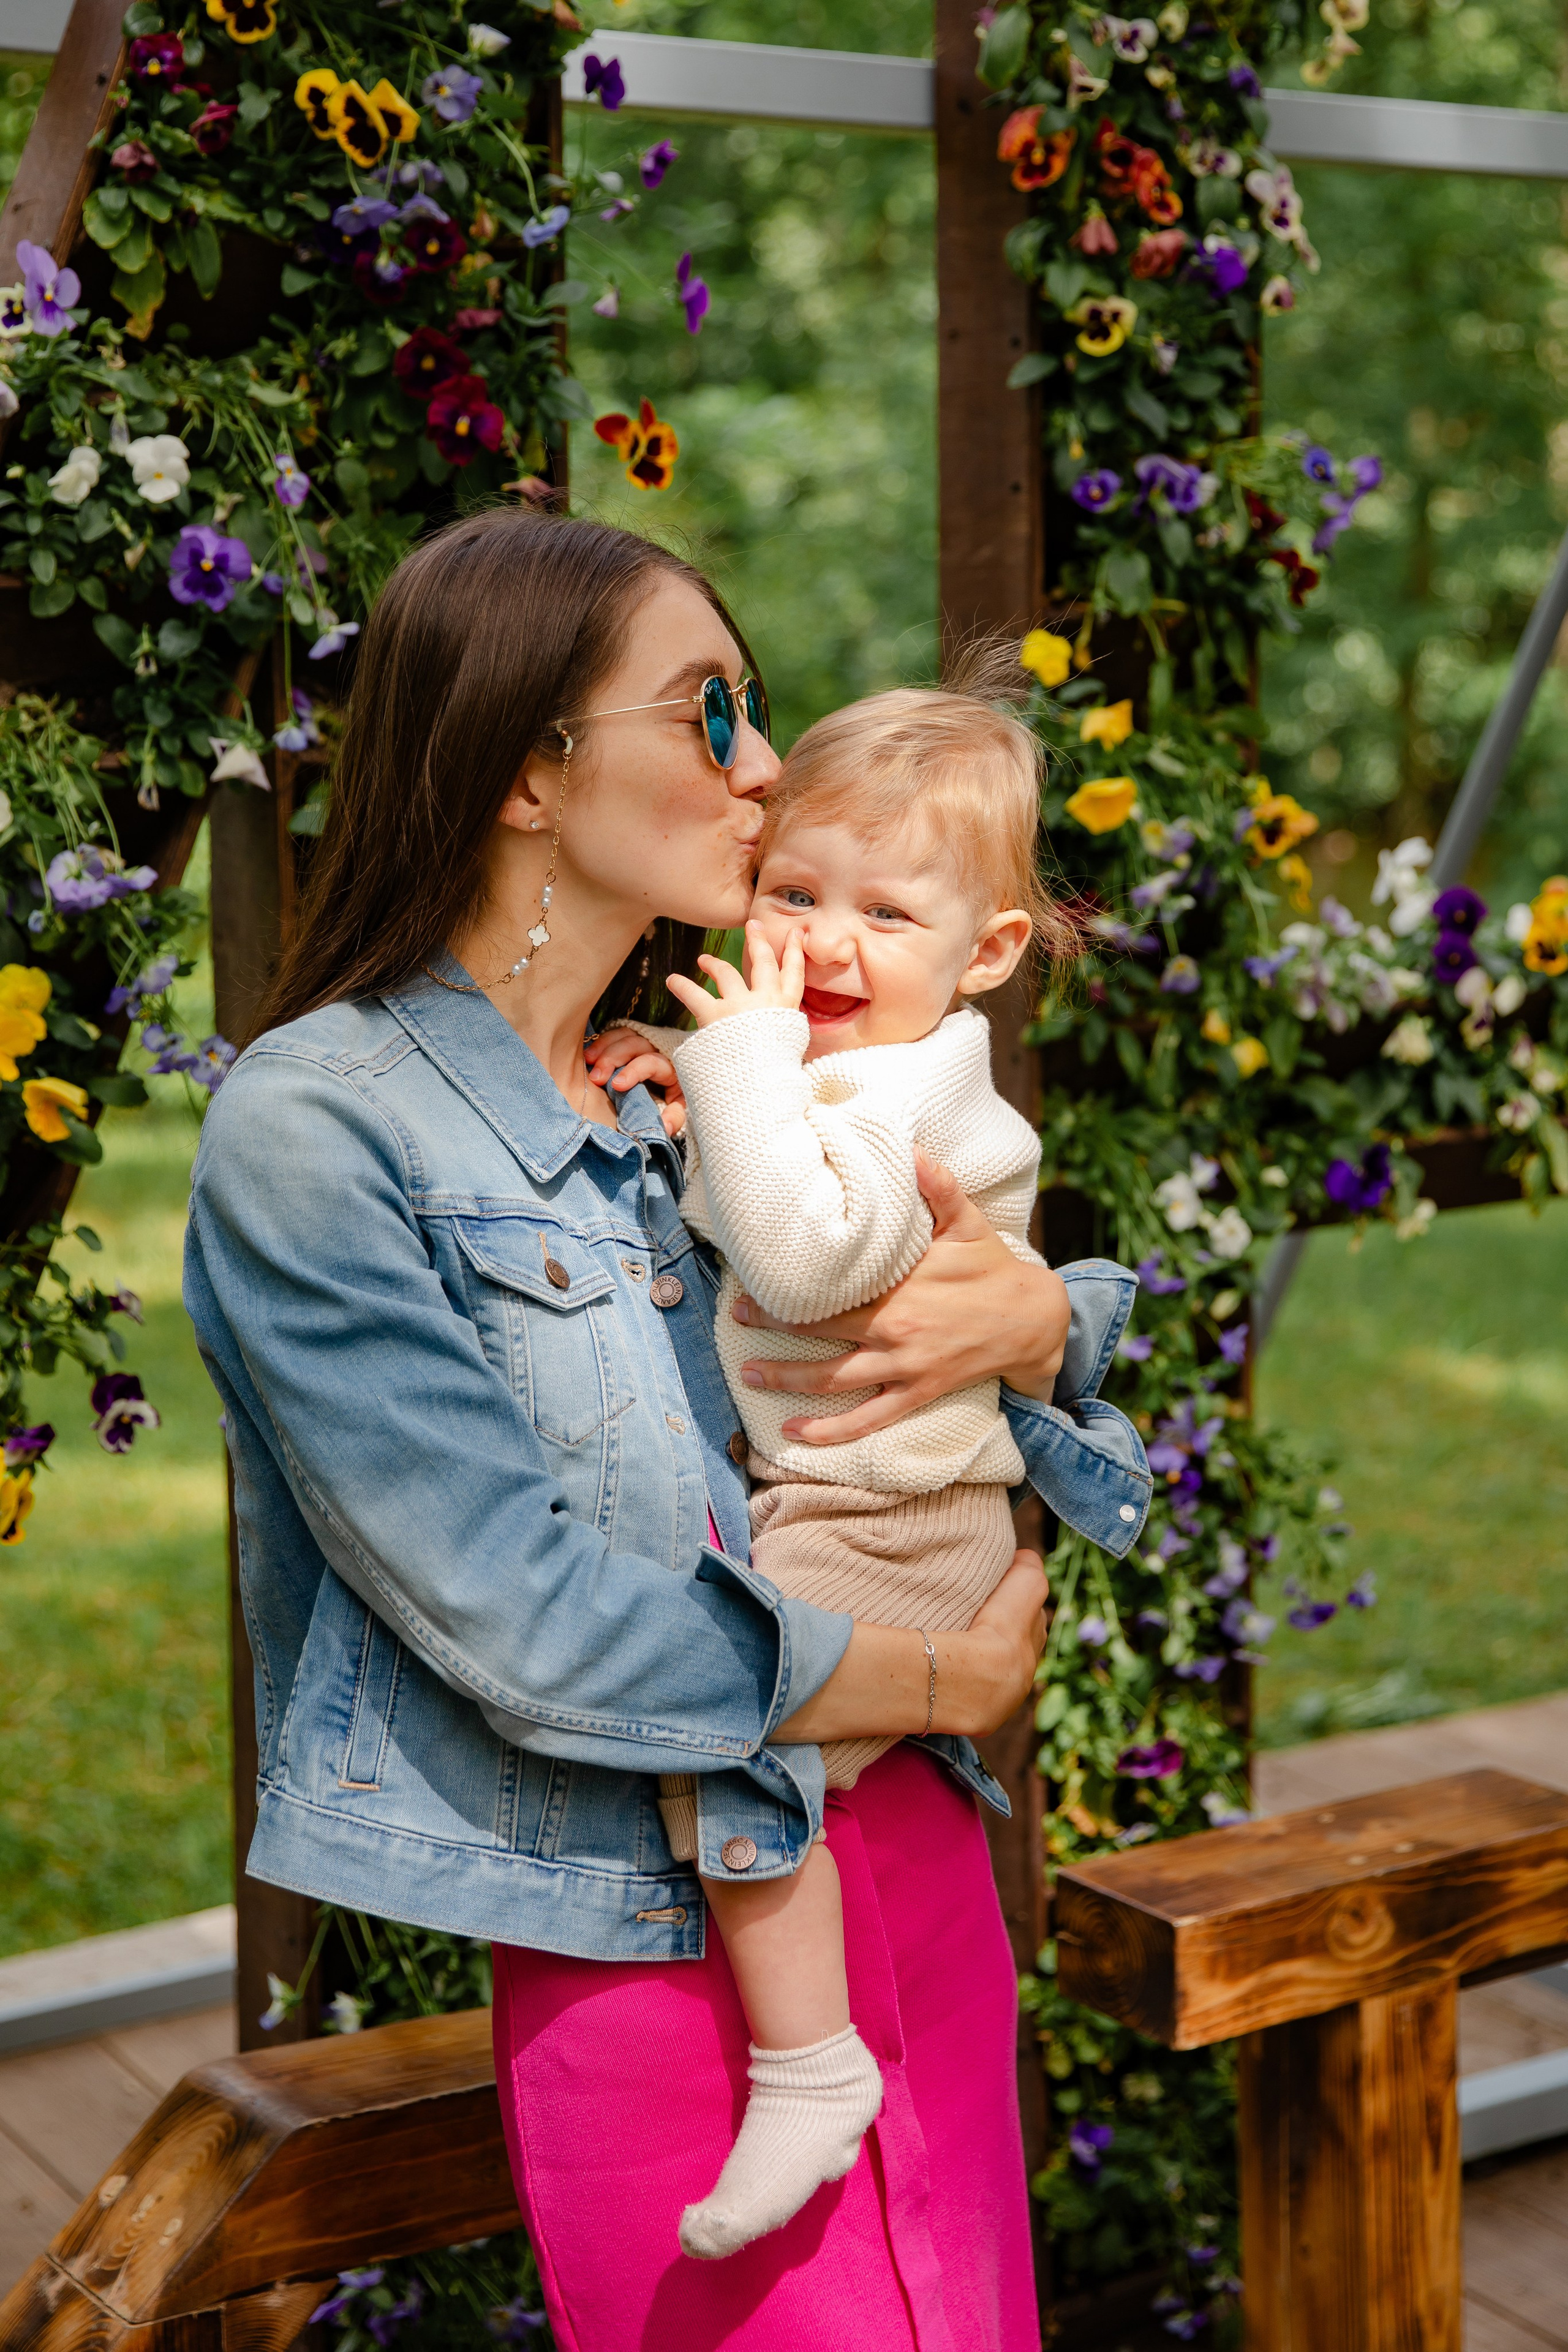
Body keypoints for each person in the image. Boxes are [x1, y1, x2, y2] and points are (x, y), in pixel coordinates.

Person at [184, 508, 1148, 2352]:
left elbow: (887, 1346)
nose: (769, 768)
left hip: (918, 1866)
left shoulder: (707, 1086)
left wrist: (1045, 1327)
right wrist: (933, 1683)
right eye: (712, 713)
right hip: (647, 1914)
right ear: (536, 768)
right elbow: (517, 1611)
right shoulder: (324, 1131)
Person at [588, 674, 1148, 2260]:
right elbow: (734, 1227)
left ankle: (809, 2064)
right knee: (742, 1731)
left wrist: (738, 1065)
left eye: (885, 913)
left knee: (733, 1724)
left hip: (901, 1523)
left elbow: (808, 1253)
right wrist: (687, 1087)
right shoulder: (838, 1067)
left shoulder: (917, 1089)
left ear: (984, 956)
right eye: (794, 893)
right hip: (841, 1496)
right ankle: (814, 2054)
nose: (823, 943)